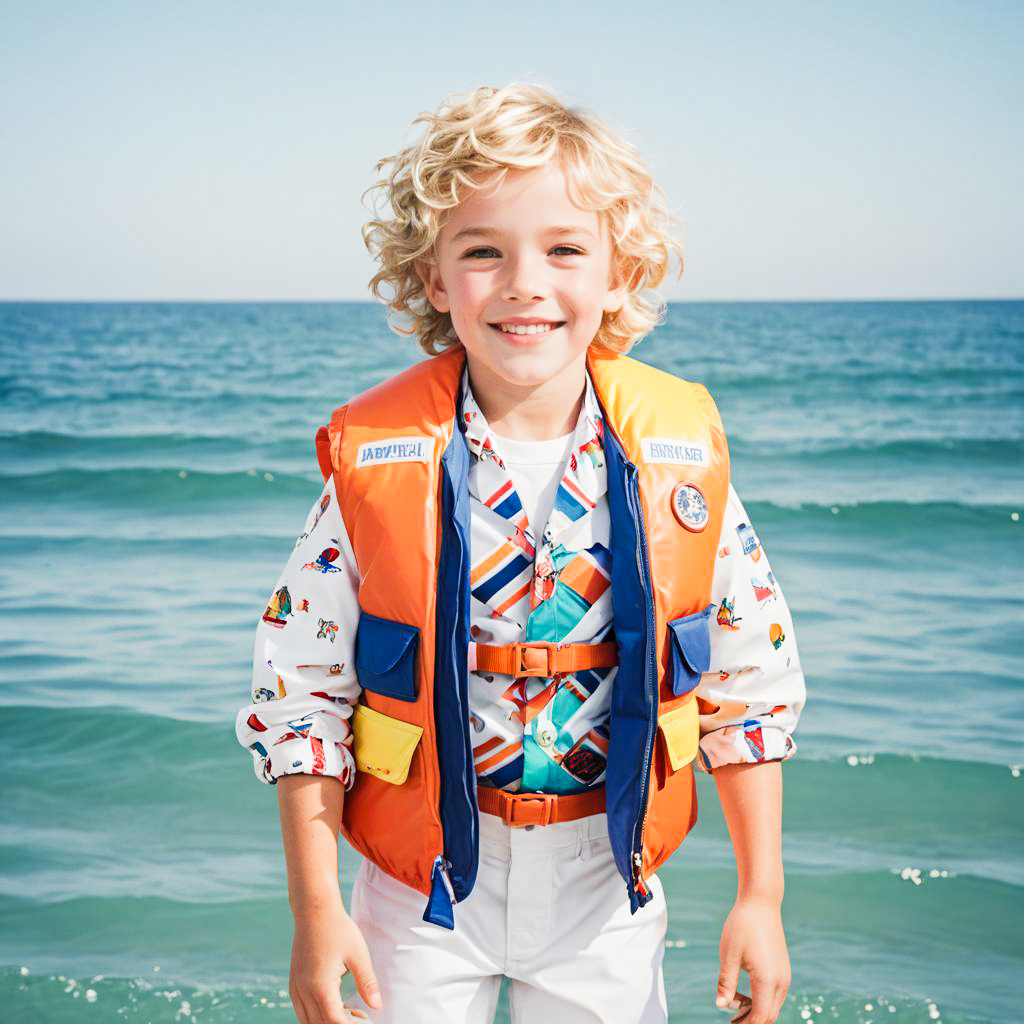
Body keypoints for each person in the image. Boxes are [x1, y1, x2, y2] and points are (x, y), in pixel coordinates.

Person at [235, 83, 806, 1024]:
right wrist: (315, 908)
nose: (523, 283)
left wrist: (761, 897)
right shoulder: (377, 465)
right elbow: (299, 698)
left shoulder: (679, 466)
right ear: (431, 278)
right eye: (482, 252)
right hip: (416, 891)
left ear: (620, 274)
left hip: (603, 888)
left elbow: (749, 694)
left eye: (566, 249)